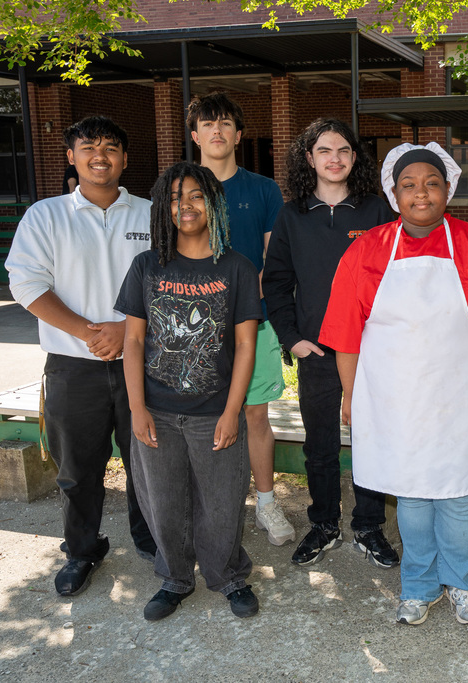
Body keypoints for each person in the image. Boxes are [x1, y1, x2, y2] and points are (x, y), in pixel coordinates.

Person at [319, 143, 468, 625]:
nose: (421, 193)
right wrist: (353, 394)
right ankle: (418, 585)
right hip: (394, 398)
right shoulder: (367, 250)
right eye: (409, 185)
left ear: (448, 189)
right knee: (410, 496)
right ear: (394, 193)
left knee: (457, 494)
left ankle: (462, 584)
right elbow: (347, 335)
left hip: (458, 393)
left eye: (432, 183)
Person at [5, 116, 157, 596]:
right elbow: (27, 284)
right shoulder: (45, 216)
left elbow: (172, 283)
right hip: (73, 366)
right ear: (71, 157)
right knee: (77, 467)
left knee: (148, 461)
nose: (100, 155)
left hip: (144, 363)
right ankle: (82, 550)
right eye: (88, 147)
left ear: (125, 159)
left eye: (111, 147)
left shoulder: (152, 214)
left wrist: (125, 330)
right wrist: (92, 333)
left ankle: (152, 540)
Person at [116, 162, 263, 621]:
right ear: (164, 207)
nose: (187, 206)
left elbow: (244, 345)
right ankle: (175, 579)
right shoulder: (146, 265)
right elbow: (135, 340)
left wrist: (231, 411)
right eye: (177, 197)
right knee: (164, 503)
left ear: (213, 204)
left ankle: (228, 576)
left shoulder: (235, 267)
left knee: (221, 503)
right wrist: (137, 408)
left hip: (213, 411)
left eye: (197, 195)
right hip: (157, 410)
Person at [263, 118, 396, 568]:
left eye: (342, 150)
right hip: (317, 352)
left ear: (354, 158)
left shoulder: (377, 212)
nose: (334, 158)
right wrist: (293, 339)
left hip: (372, 352)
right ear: (310, 158)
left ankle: (369, 526)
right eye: (324, 150)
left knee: (371, 439)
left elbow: (399, 279)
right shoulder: (292, 215)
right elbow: (277, 283)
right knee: (319, 445)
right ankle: (323, 525)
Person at [186, 93, 294, 546]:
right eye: (208, 124)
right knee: (197, 417)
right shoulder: (181, 187)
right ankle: (210, 507)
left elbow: (273, 256)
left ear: (238, 134)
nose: (217, 130)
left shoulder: (263, 189)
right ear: (195, 135)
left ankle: (267, 504)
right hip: (195, 326)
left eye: (226, 123)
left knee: (254, 415)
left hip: (256, 322)